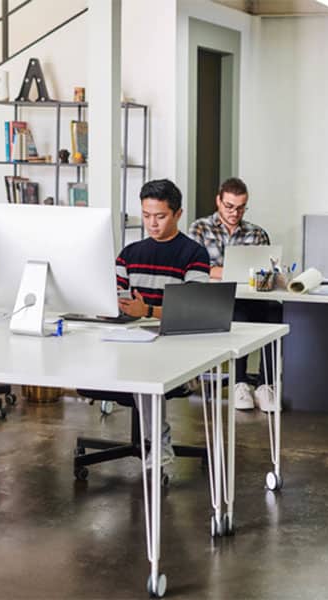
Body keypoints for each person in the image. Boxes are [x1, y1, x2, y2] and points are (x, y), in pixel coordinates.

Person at [116, 178, 211, 465]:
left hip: (175, 346)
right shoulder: (129, 255)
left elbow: (194, 313)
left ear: (178, 214)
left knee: (144, 368)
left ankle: (159, 443)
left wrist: (147, 312)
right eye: (146, 216)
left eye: (160, 216)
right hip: (129, 340)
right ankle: (155, 441)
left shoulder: (194, 254)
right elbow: (116, 300)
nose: (152, 223)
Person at [188, 177, 280, 411]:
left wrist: (222, 271)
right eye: (229, 206)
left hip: (252, 295)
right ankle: (239, 383)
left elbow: (265, 271)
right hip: (215, 298)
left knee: (275, 311)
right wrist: (231, 272)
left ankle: (265, 385)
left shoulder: (256, 233)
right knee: (238, 312)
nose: (234, 212)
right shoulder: (200, 228)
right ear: (218, 201)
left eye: (240, 208)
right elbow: (195, 268)